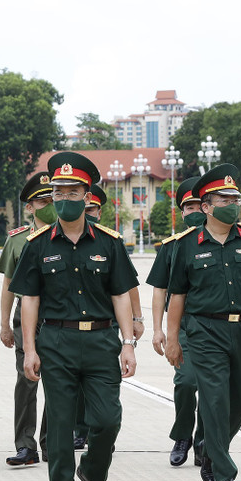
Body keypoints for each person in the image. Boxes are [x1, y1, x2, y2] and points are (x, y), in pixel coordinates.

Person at [9, 151, 138, 481]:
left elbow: (120, 294)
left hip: (101, 342)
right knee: (61, 429)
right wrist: (30, 349)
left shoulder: (109, 243)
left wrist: (128, 342)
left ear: (87, 195)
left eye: (72, 191)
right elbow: (29, 299)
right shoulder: (37, 244)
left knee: (107, 420)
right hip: (57, 342)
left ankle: (94, 472)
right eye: (58, 192)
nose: (64, 198)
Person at [165, 163, 241, 481]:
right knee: (214, 400)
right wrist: (172, 338)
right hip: (204, 330)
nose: (232, 204)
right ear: (206, 206)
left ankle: (213, 450)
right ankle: (225, 474)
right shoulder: (187, 244)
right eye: (224, 199)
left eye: (235, 198)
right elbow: (177, 296)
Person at [72, 185, 146, 450]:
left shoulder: (110, 241)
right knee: (77, 385)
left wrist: (137, 318)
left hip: (106, 322)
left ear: (99, 212)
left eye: (92, 210)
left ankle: (101, 432)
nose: (88, 214)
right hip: (72, 324)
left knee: (102, 382)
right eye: (85, 209)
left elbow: (128, 284)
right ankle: (81, 429)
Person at [147, 177, 206, 467]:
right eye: (189, 207)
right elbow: (159, 290)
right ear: (181, 213)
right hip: (182, 327)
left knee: (213, 388)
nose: (195, 211)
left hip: (214, 326)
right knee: (186, 382)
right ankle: (183, 435)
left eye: (199, 205)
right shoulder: (172, 247)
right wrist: (158, 329)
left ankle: (204, 441)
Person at [0, 172, 54, 467]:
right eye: (43, 202)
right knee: (27, 377)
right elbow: (8, 284)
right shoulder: (18, 240)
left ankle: (51, 441)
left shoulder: (69, 235)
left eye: (52, 200)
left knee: (57, 379)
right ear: (30, 208)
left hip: (59, 314)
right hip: (26, 316)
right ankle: (25, 444)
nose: (50, 206)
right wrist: (4, 324)